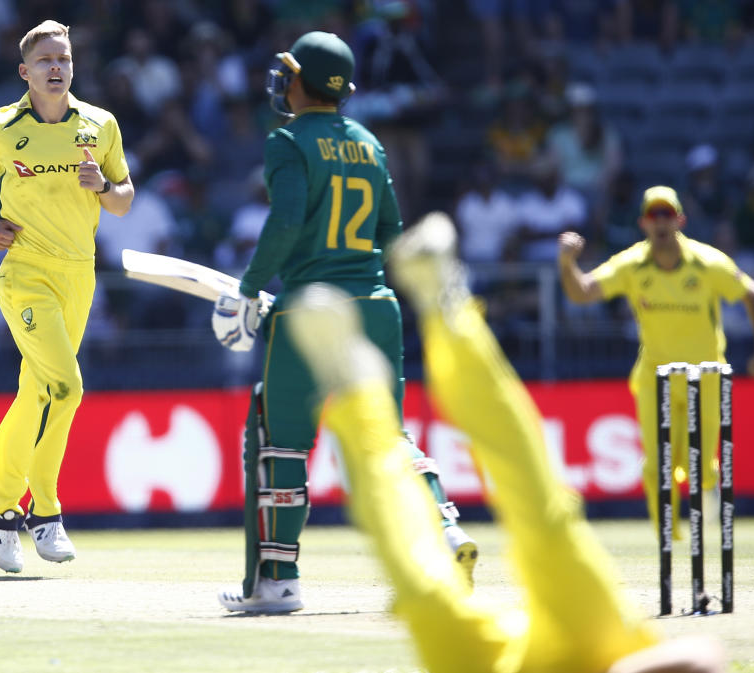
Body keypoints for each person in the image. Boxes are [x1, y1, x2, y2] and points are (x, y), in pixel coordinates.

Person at [282, 211, 726, 673]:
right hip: (600, 652)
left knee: (424, 596)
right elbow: (704, 658)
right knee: (545, 523)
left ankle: (356, 392)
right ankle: (450, 310)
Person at [211, 31, 476, 613]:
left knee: (280, 445)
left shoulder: (287, 141)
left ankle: (277, 582)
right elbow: (389, 234)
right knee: (388, 437)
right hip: (376, 304)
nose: (281, 81)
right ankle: (446, 530)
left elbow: (283, 224)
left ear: (300, 80)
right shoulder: (369, 142)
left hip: (312, 307)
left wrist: (248, 289)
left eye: (289, 72)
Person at [0, 20, 134, 573]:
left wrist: (103, 186)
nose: (58, 66)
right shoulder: (1, 127)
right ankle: (45, 512)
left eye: (66, 58)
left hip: (81, 275)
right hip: (25, 274)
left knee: (36, 396)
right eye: (47, 59)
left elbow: (123, 200)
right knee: (67, 387)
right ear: (25, 72)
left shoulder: (100, 124)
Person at [557, 186, 754, 536]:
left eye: (667, 214)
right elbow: (582, 292)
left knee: (701, 465)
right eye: (654, 215)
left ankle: (706, 527)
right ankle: (669, 542)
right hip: (655, 375)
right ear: (643, 222)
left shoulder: (707, 263)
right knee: (658, 465)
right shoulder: (631, 264)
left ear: (680, 220)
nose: (660, 222)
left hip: (705, 374)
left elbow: (753, 294)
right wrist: (567, 264)